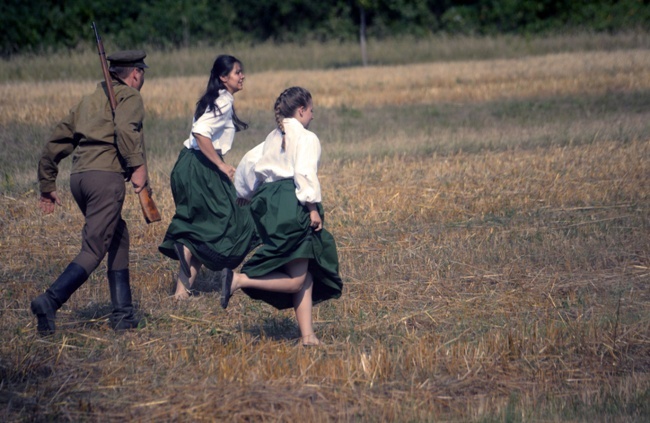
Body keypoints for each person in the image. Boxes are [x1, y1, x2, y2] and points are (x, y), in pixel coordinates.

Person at [31, 50, 151, 335]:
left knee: (118, 236)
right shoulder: (131, 97)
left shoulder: (87, 101)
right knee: (94, 248)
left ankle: (123, 315)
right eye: (142, 72)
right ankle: (49, 301)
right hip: (105, 180)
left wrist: (47, 184)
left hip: (80, 179)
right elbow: (125, 128)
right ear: (135, 73)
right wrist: (138, 166)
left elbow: (55, 142)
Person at [223, 86, 343, 346]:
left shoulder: (273, 136)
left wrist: (246, 192)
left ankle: (307, 336)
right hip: (291, 204)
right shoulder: (307, 138)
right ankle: (238, 279)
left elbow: (249, 162)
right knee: (297, 279)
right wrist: (312, 207)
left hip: (269, 205)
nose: (313, 116)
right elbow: (304, 172)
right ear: (301, 110)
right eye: (311, 110)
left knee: (305, 276)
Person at [158, 55, 259, 299]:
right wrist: (221, 165)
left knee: (202, 229)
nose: (242, 75)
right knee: (236, 218)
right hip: (203, 169)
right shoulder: (222, 101)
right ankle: (183, 244)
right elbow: (201, 132)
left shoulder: (213, 99)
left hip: (186, 165)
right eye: (237, 72)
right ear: (224, 77)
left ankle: (181, 293)